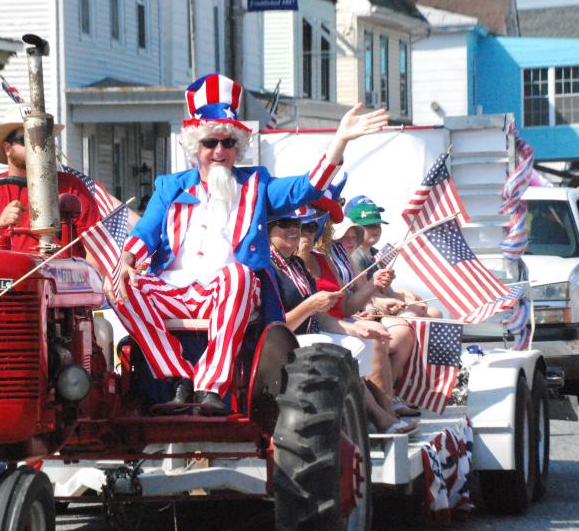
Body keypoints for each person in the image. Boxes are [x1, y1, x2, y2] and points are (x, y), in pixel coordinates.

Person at [114, 73, 389, 415]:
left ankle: (210, 387)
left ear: (237, 148)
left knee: (238, 275)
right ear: (194, 147)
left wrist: (340, 141)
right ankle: (178, 378)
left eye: (228, 143)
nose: (219, 151)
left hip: (229, 292)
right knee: (121, 285)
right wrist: (126, 260)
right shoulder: (170, 187)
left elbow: (307, 188)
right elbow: (145, 234)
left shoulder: (255, 185)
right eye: (210, 143)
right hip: (173, 292)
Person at [268, 212, 416, 434]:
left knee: (364, 342)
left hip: (312, 330)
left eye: (304, 225)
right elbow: (276, 327)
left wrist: (355, 328)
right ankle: (376, 417)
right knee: (346, 350)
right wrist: (311, 306)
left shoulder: (297, 264)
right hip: (281, 341)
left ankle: (371, 416)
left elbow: (326, 314)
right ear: (268, 231)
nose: (298, 230)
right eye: (284, 223)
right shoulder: (266, 267)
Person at [0, 105, 132, 254]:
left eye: (44, 137)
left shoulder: (72, 187)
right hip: (6, 285)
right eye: (27, 138)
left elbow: (97, 249)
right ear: (7, 148)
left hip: (61, 285)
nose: (38, 144)